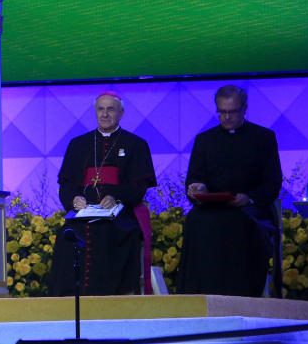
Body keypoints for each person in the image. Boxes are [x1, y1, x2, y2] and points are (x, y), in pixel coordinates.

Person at [177, 85, 282, 297]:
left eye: (232, 112)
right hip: (211, 209)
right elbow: (194, 177)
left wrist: (249, 198)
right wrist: (198, 188)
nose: (227, 117)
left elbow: (273, 183)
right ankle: (199, 295)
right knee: (195, 222)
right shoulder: (204, 140)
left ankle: (240, 295)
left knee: (237, 225)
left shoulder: (263, 138)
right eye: (222, 112)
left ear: (244, 109)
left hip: (250, 211)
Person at [49, 91, 156, 296]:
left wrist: (117, 197)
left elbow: (139, 186)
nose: (105, 114)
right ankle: (68, 298)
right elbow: (66, 183)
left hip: (119, 217)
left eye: (110, 109)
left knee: (114, 236)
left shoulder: (136, 144)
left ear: (121, 113)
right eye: (100, 109)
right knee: (67, 237)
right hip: (82, 217)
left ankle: (114, 297)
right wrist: (73, 199)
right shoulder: (78, 144)